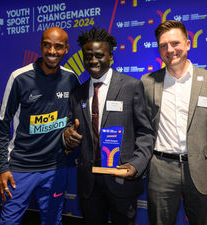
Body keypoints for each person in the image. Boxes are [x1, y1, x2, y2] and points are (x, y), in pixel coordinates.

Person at [141, 20, 207, 225]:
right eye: (163, 45)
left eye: (175, 43)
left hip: (203, 170)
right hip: (161, 171)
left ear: (188, 43)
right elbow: (142, 129)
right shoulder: (147, 82)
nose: (170, 50)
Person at [63, 27, 154, 225]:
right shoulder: (76, 93)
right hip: (89, 182)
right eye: (88, 56)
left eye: (99, 55)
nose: (93, 61)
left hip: (122, 178)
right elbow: (70, 128)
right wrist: (68, 136)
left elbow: (145, 133)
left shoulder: (131, 86)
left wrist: (136, 165)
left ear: (111, 56)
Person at [0, 27, 80, 225]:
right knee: (9, 222)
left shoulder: (71, 78)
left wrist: (70, 132)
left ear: (66, 49)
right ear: (40, 46)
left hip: (55, 168)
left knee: (52, 221)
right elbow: (2, 125)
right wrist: (3, 167)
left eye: (58, 47)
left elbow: (73, 117)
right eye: (47, 45)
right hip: (20, 167)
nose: (52, 51)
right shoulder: (19, 77)